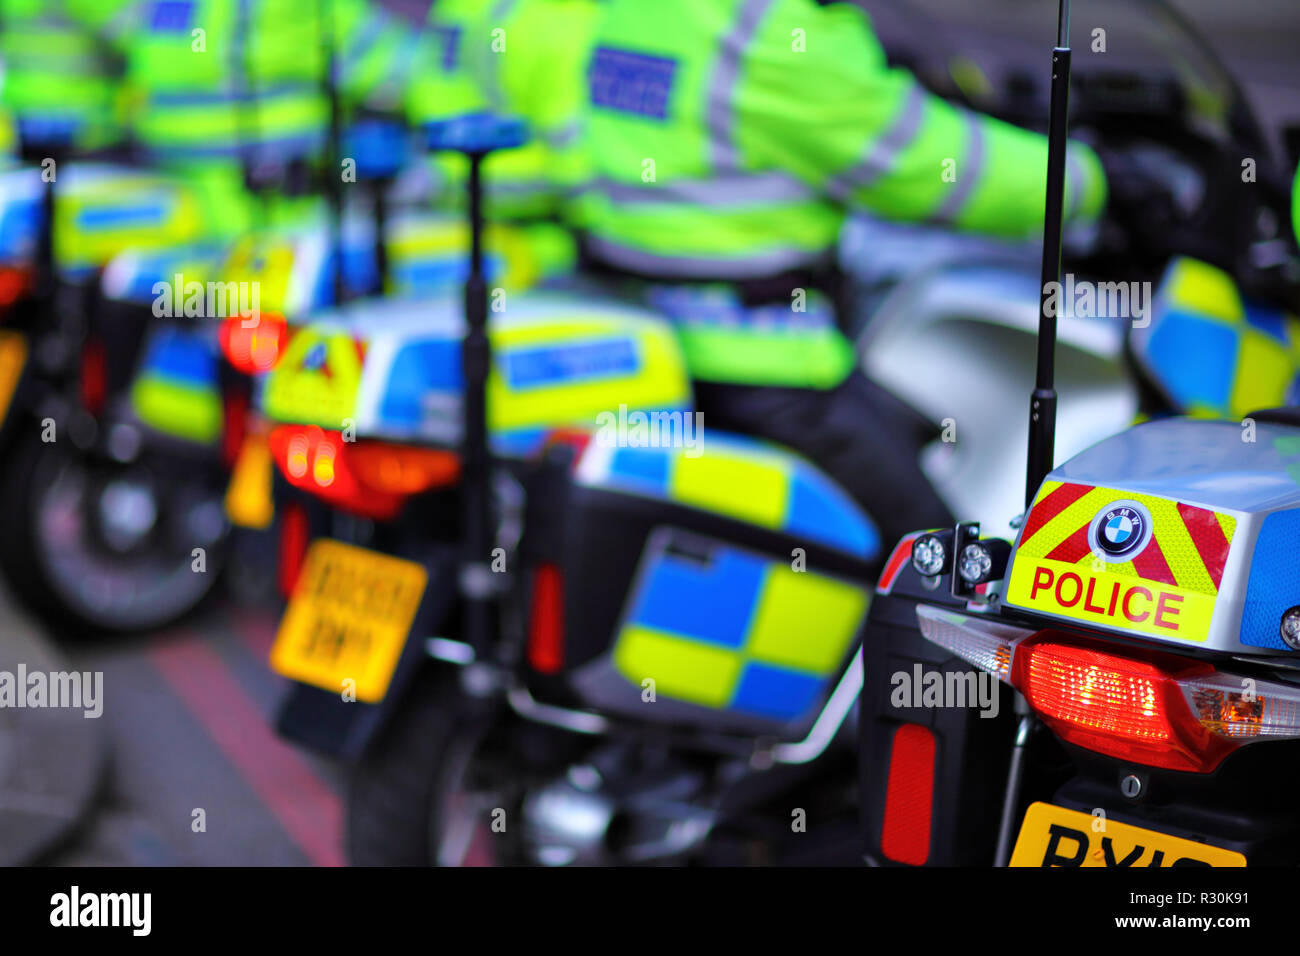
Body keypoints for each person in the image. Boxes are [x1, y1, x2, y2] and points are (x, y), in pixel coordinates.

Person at [568, 0, 1109, 547]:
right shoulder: (777, 28)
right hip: (763, 359)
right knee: (938, 561)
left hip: (652, 330)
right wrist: (1087, 181)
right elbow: (924, 166)